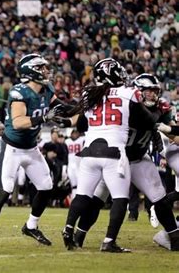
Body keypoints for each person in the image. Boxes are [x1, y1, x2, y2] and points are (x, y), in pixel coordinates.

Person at [69, 74, 179, 252]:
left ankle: (174, 237)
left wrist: (169, 128)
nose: (152, 95)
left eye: (154, 91)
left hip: (138, 159)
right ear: (137, 92)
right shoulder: (128, 105)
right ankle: (79, 235)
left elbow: (172, 133)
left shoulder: (160, 108)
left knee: (159, 197)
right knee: (97, 200)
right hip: (116, 160)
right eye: (148, 91)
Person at [61, 60, 157, 253]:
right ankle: (109, 241)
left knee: (82, 195)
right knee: (120, 199)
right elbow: (147, 121)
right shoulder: (128, 93)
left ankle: (68, 229)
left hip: (89, 153)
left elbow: (80, 126)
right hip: (114, 152)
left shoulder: (90, 93)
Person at [0, 53, 71, 247]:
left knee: (46, 186)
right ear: (30, 70)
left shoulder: (46, 89)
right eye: (41, 67)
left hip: (31, 148)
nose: (46, 71)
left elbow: (63, 108)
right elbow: (19, 122)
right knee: (5, 191)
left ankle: (31, 226)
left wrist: (85, 104)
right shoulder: (18, 92)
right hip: (11, 148)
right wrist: (44, 118)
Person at [64, 129, 85, 198]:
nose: (75, 134)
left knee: (81, 184)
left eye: (76, 132)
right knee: (73, 184)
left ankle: (80, 199)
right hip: (70, 165)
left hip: (79, 165)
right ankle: (74, 199)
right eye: (73, 133)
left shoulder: (82, 140)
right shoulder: (67, 141)